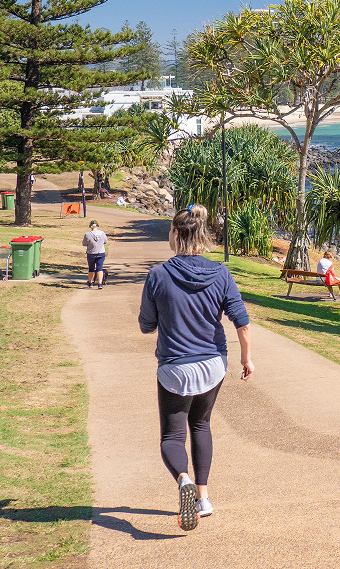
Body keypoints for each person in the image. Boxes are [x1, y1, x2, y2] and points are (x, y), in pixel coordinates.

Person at [138, 204, 254, 532]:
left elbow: (147, 325)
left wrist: (164, 315)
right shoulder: (221, 274)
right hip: (213, 364)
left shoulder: (158, 275)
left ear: (176, 234)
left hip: (175, 367)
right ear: (203, 235)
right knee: (201, 425)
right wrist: (247, 360)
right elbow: (242, 324)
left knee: (172, 437)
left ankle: (183, 479)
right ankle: (203, 498)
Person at [82, 220, 108, 290]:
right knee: (100, 268)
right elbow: (105, 241)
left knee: (91, 268)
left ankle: (90, 283)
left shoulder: (87, 234)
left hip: (91, 253)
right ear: (97, 226)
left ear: (90, 226)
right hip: (101, 253)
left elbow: (84, 243)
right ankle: (100, 284)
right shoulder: (102, 233)